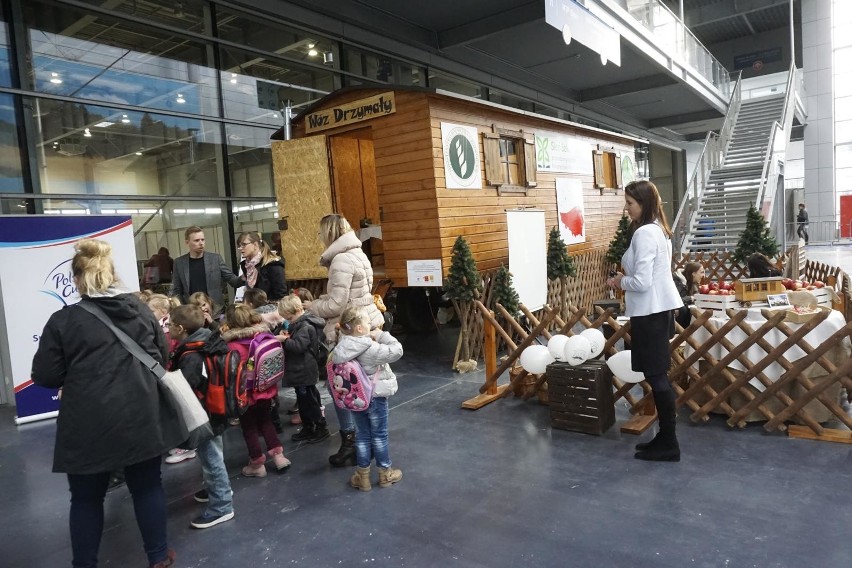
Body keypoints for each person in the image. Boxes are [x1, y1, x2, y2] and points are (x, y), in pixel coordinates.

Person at [31, 238, 182, 568]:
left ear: (76, 279)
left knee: (86, 498)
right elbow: (163, 355)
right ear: (112, 274)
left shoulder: (64, 321)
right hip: (143, 411)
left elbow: (44, 374)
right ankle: (158, 556)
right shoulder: (141, 310)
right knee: (147, 487)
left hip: (88, 420)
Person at [606, 180, 683, 462]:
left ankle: (670, 442)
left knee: (657, 377)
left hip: (650, 312)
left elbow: (640, 281)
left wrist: (618, 281)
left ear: (644, 204)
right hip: (656, 310)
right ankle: (665, 437)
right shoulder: (658, 231)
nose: (626, 209)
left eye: (630, 203)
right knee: (656, 375)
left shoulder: (645, 234)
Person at [308, 214, 384, 467]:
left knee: (340, 386)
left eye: (320, 233)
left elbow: (336, 304)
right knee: (363, 384)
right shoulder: (358, 254)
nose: (319, 238)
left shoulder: (340, 259)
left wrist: (312, 305)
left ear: (329, 233)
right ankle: (370, 439)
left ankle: (351, 442)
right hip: (363, 323)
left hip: (346, 332)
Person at [168, 304, 236, 529]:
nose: (167, 329)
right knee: (215, 454)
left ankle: (222, 505)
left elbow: (187, 386)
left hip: (204, 414)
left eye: (169, 325)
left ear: (180, 328)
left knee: (211, 458)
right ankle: (217, 488)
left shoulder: (191, 354)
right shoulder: (210, 341)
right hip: (217, 408)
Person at [331, 306, 404, 491]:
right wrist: (381, 335)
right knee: (379, 435)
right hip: (375, 397)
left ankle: (362, 477)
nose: (370, 325)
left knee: (362, 436)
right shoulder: (370, 348)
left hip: (356, 399)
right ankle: (385, 474)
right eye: (367, 323)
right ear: (359, 329)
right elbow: (397, 350)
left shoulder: (340, 348)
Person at [222, 305, 291, 477]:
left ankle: (257, 463)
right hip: (266, 389)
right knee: (266, 421)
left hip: (245, 394)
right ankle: (279, 456)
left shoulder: (232, 346)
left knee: (249, 427)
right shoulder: (263, 337)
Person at [277, 295, 330, 444]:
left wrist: (285, 340)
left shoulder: (305, 326)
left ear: (298, 311)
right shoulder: (301, 324)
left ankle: (320, 427)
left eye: (290, 318)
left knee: (309, 402)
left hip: (304, 370)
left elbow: (299, 346)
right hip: (302, 370)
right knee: (304, 400)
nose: (289, 321)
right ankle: (309, 426)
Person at [170, 226, 244, 309]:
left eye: (203, 239)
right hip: (191, 312)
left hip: (215, 311)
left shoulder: (215, 259)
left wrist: (245, 275)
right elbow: (176, 290)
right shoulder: (179, 263)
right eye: (196, 240)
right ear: (187, 242)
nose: (201, 243)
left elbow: (233, 280)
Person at [237, 231, 287, 302]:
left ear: (255, 245)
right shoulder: (247, 266)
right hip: (255, 309)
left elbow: (281, 295)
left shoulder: (273, 264)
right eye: (239, 246)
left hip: (271, 309)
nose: (241, 248)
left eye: (244, 245)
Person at [673, 261, 704, 329]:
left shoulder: (693, 282)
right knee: (684, 309)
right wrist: (691, 298)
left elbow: (696, 296)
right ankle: (684, 333)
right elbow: (675, 300)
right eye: (701, 272)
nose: (703, 275)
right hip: (673, 310)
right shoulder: (676, 282)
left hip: (685, 311)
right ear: (694, 273)